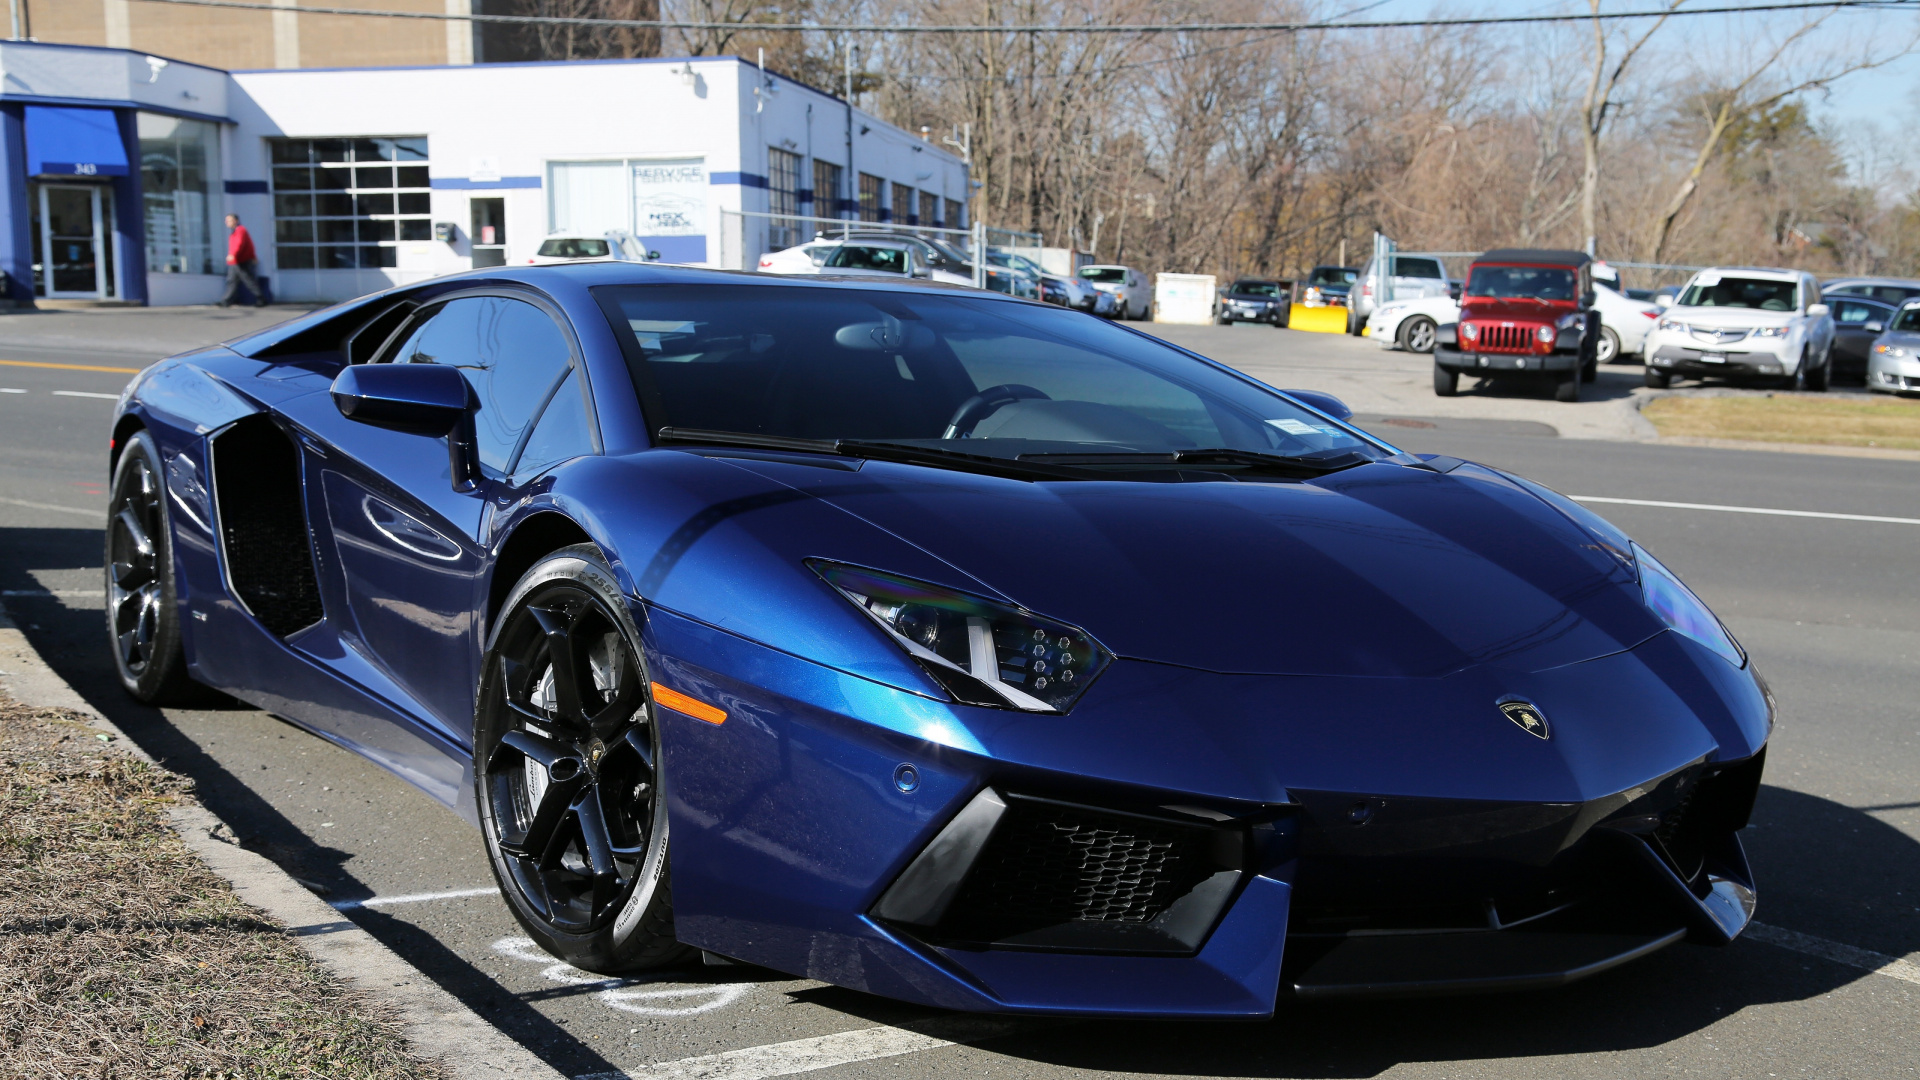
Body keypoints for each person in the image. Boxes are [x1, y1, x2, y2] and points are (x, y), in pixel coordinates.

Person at [219, 213, 267, 308]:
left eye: (229, 220)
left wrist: (233, 254)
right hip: (235, 262)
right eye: (226, 220)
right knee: (231, 281)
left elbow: (239, 244)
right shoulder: (235, 232)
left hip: (241, 261)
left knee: (248, 280)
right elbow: (250, 245)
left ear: (236, 221)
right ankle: (225, 301)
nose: (226, 222)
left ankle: (261, 298)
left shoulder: (240, 230)